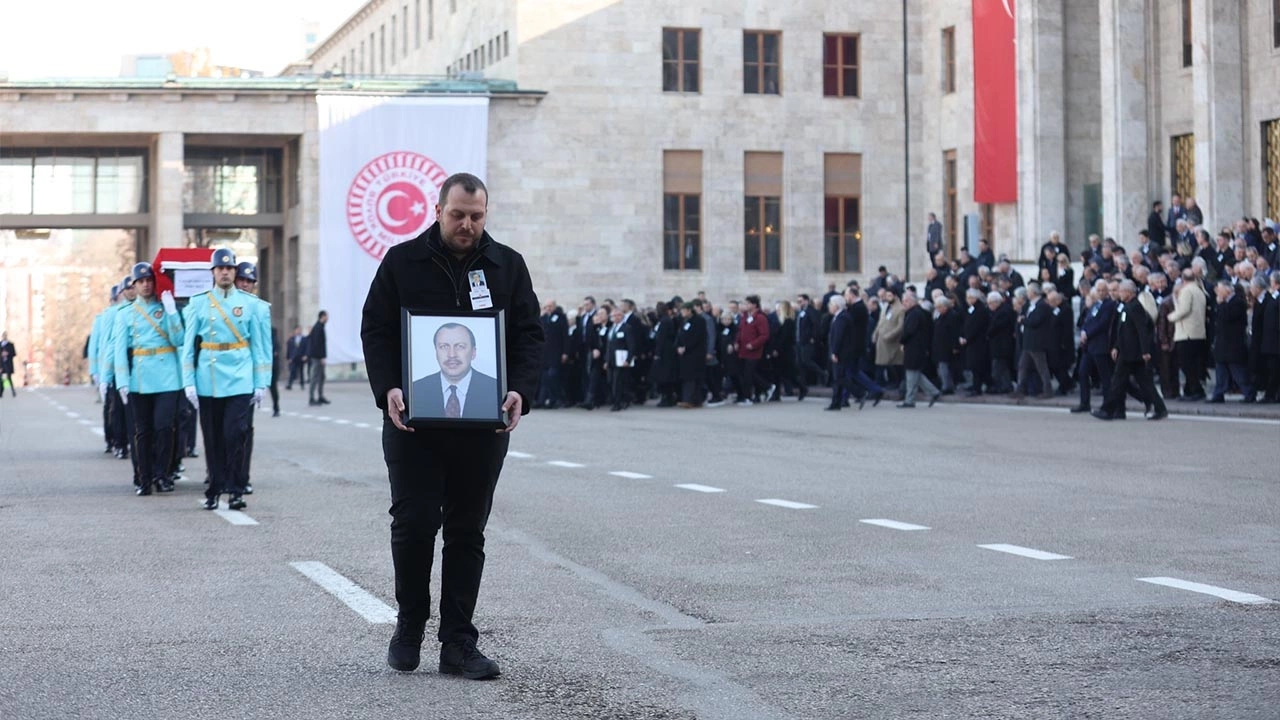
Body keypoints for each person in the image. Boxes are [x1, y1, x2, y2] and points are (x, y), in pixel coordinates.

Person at [360, 172, 543, 681]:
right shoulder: (402, 261)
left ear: (486, 213)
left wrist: (520, 391)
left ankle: (458, 642)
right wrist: (389, 388)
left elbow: (530, 335)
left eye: (476, 216)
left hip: (481, 427)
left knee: (467, 531)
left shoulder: (507, 266)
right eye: (458, 214)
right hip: (413, 423)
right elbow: (375, 328)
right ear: (437, 210)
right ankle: (410, 624)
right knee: (414, 523)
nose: (467, 225)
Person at [180, 248, 271, 511]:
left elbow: (260, 347)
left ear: (234, 271)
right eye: (220, 268)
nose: (225, 272)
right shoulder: (199, 303)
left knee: (236, 434)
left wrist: (260, 381)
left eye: (229, 268)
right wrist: (188, 381)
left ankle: (236, 489)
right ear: (213, 272)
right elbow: (188, 347)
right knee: (212, 438)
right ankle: (214, 488)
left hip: (240, 375)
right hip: (208, 377)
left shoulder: (251, 304)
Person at [112, 262, 184, 496]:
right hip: (140, 378)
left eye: (148, 281)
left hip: (167, 376)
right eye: (140, 281)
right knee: (142, 431)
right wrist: (122, 380)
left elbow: (178, 340)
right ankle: (143, 477)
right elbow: (120, 350)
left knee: (164, 427)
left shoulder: (166, 308)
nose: (145, 285)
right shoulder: (125, 314)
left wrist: (172, 312)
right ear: (134, 285)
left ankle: (162, 474)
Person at [1093, 280, 1167, 421]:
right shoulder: (1127, 306)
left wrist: (1145, 351)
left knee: (1117, 381)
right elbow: (1122, 331)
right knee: (1145, 383)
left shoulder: (1135, 307)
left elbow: (1142, 331)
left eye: (1121, 291)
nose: (1119, 294)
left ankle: (1107, 410)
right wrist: (1116, 346)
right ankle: (1159, 407)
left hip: (1132, 353)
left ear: (1129, 292)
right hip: (1127, 351)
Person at [409, 323, 501, 419]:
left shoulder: (496, 390)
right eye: (444, 346)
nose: (452, 354)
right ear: (436, 352)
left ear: (473, 352)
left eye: (460, 346)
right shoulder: (415, 391)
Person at [1167, 269, 1208, 400]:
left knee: (1187, 364)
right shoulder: (1200, 291)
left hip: (1186, 333)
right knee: (1193, 363)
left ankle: (1196, 390)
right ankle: (1189, 390)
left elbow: (1183, 310)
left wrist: (1171, 317)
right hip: (1199, 332)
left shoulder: (1186, 291)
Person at [1208, 279, 1251, 403]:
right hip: (1222, 343)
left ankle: (1249, 392)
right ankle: (1218, 394)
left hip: (1233, 343)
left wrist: (1221, 304)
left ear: (1227, 290)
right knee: (1220, 371)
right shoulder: (1224, 302)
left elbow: (1226, 317)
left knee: (1238, 372)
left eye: (1220, 290)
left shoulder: (1238, 302)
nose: (1218, 293)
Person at [897, 292, 941, 408]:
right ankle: (934, 392)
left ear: (912, 302)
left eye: (906, 301)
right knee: (916, 374)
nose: (903, 304)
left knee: (911, 374)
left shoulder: (915, 314)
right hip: (915, 347)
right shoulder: (915, 313)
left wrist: (901, 340)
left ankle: (909, 400)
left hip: (915, 348)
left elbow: (909, 331)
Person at [735, 294, 772, 404]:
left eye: (748, 303)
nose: (745, 305)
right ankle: (767, 387)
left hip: (753, 350)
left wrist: (754, 344)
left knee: (749, 374)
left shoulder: (760, 317)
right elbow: (740, 331)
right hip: (743, 349)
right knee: (745, 373)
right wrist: (736, 342)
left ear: (754, 305)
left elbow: (764, 335)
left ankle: (748, 397)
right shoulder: (745, 316)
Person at [675, 302, 707, 407]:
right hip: (685, 354)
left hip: (695, 353)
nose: (682, 313)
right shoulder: (684, 321)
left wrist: (686, 347)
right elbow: (680, 334)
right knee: (687, 377)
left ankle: (690, 400)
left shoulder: (699, 321)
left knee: (693, 378)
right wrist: (678, 346)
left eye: (684, 311)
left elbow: (697, 337)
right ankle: (692, 399)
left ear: (689, 310)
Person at [307, 311, 329, 406]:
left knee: (321, 377)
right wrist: (321, 357)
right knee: (315, 377)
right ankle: (311, 398)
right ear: (322, 316)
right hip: (317, 357)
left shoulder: (320, 327)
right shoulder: (318, 328)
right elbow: (317, 344)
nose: (327, 318)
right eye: (326, 316)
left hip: (319, 356)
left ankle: (320, 396)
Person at [0, 331, 15, 397]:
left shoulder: (10, 344)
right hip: (1, 364)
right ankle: (1, 392)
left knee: (9, 378)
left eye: (5, 336)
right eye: (3, 336)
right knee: (1, 379)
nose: (4, 337)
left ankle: (13, 391)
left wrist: (8, 353)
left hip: (8, 364)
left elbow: (14, 353)